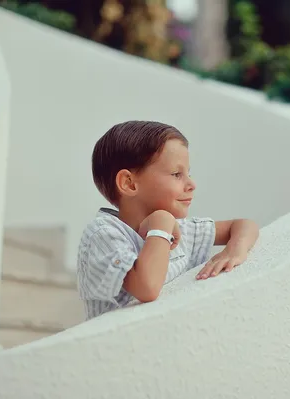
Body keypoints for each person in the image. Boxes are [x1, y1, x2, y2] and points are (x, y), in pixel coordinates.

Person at [77, 120, 259, 319]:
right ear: (129, 183)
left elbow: (243, 225)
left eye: (188, 173)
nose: (191, 184)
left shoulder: (181, 229)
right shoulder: (103, 234)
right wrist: (161, 224)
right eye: (176, 174)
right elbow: (147, 287)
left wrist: (235, 250)